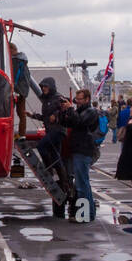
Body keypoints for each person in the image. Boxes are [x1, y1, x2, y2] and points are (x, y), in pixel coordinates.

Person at [30, 76, 73, 217]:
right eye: (42, 87)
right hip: (51, 130)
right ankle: (64, 182)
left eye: (46, 87)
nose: (43, 89)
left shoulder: (58, 98)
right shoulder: (47, 100)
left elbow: (65, 110)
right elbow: (45, 117)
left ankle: (49, 169)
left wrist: (56, 115)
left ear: (51, 87)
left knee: (42, 146)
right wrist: (32, 116)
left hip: (58, 131)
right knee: (56, 156)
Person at [59, 88, 100, 221]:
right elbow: (68, 123)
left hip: (84, 150)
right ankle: (89, 213)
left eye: (80, 99)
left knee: (82, 184)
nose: (77, 102)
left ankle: (84, 214)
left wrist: (70, 109)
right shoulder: (80, 111)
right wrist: (64, 111)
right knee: (82, 183)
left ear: (87, 99)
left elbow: (80, 122)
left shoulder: (91, 112)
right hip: (78, 149)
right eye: (77, 100)